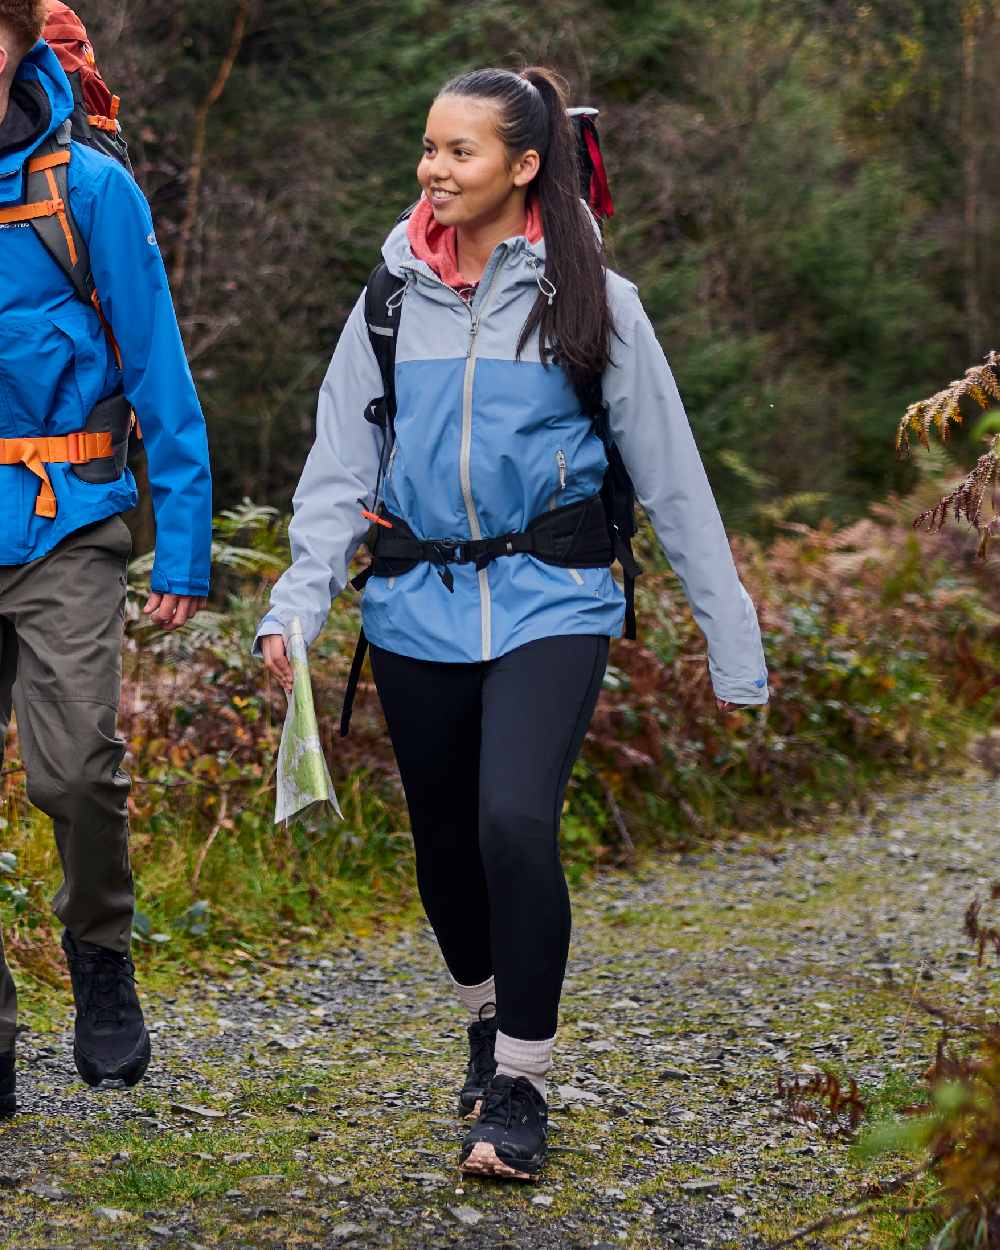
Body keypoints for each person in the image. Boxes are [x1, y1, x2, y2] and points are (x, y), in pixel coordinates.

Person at [258, 65, 768, 1180]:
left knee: (510, 822)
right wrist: (294, 607)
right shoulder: (390, 297)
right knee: (443, 844)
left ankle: (524, 1080)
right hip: (412, 602)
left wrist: (735, 647)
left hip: (553, 597)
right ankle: (487, 1020)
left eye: (459, 152)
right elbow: (339, 469)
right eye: (429, 148)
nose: (433, 170)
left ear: (524, 166)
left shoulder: (592, 300)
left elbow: (673, 479)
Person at [0, 0, 212, 1117]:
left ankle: (98, 949)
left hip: (64, 519)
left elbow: (160, 370)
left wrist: (182, 543)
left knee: (72, 768)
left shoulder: (89, 191)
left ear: (14, 44)